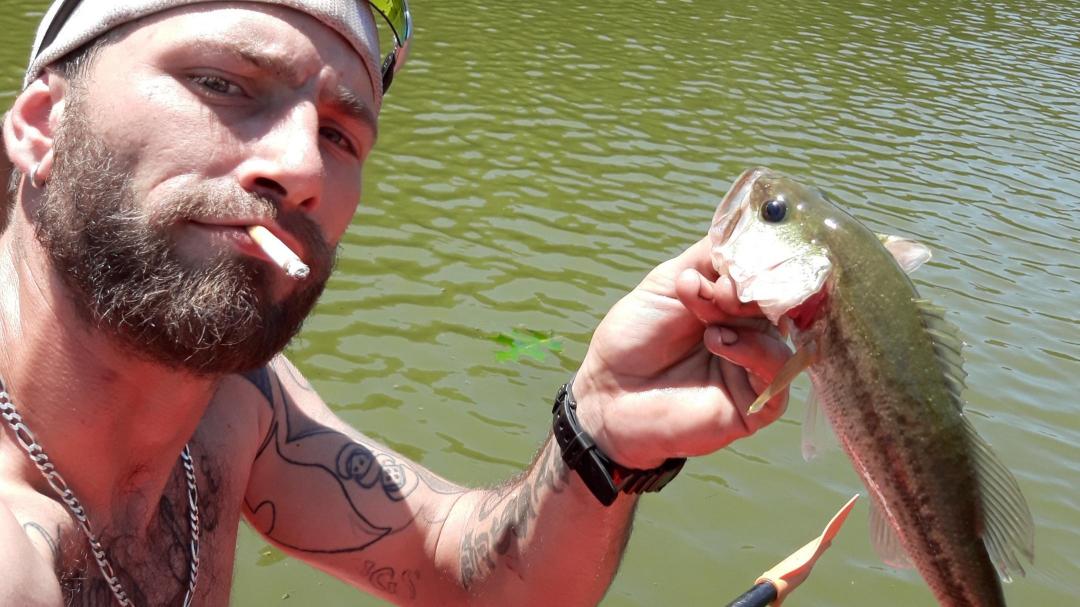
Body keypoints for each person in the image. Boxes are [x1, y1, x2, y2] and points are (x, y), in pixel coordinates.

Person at [0, 1, 791, 605]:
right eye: (221, 84)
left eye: (340, 135)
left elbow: (476, 577)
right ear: (41, 124)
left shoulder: (235, 403)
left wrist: (601, 435)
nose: (301, 166)